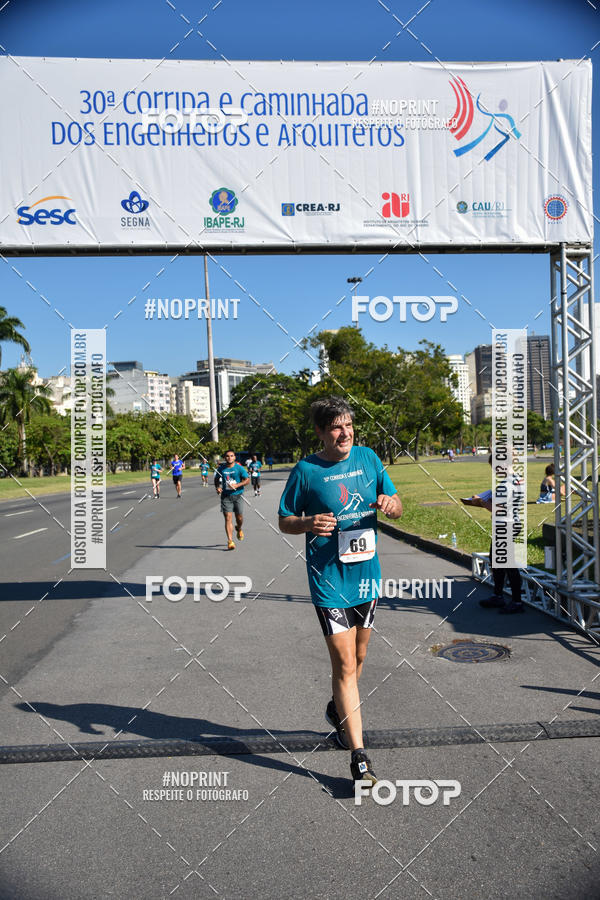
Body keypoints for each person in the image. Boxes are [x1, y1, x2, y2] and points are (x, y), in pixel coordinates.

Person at [278, 397, 402, 787]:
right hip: (329, 583)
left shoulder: (368, 458)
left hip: (366, 578)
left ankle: (337, 709)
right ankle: (359, 757)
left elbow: (397, 505)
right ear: (320, 432)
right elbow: (285, 520)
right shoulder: (306, 471)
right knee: (345, 666)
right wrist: (307, 522)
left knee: (360, 656)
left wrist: (389, 505)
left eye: (348, 425)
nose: (344, 433)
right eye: (335, 427)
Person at [461, 455, 523, 614]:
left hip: (506, 525)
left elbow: (498, 509)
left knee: (508, 564)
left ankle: (516, 602)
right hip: (511, 523)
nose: (494, 471)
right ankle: (498, 595)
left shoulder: (506, 485)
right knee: (496, 560)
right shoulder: (516, 479)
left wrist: (480, 502)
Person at [215, 450, 250, 550]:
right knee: (228, 518)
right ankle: (230, 541)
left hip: (238, 495)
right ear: (225, 458)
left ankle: (239, 528)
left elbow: (247, 480)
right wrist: (217, 487)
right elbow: (216, 479)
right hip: (226, 497)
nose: (229, 458)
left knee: (239, 518)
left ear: (234, 457)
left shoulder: (239, 468)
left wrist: (237, 485)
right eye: (227, 456)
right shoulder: (221, 469)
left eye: (231, 456)